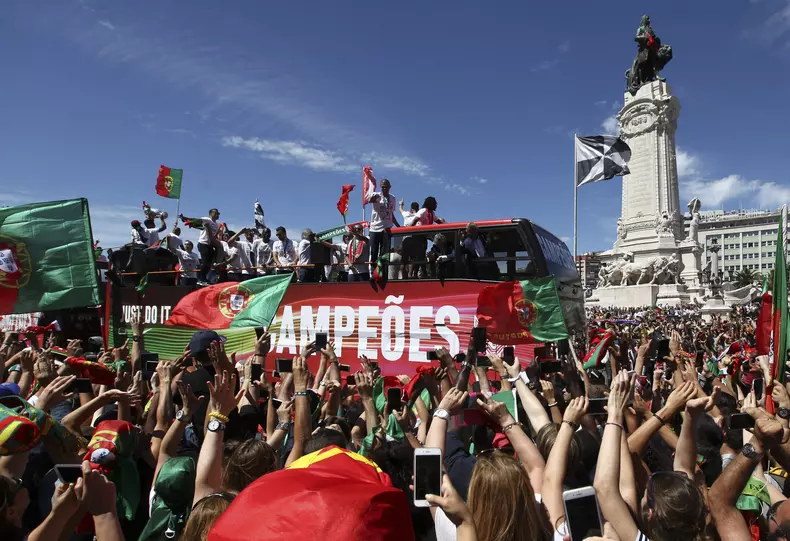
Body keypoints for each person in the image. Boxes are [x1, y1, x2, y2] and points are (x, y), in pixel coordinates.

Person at [366, 179, 399, 278]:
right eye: (382, 186)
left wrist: (399, 226)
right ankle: (373, 274)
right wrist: (373, 198)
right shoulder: (376, 195)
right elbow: (369, 200)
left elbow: (391, 214)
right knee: (374, 252)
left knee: (384, 254)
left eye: (385, 186)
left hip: (387, 228)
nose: (384, 188)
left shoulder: (392, 198)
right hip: (375, 229)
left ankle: (383, 273)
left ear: (389, 187)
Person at [181, 208, 221, 283]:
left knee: (210, 263)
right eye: (216, 213)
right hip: (203, 243)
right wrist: (186, 219)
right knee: (205, 262)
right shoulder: (207, 219)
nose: (218, 215)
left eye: (218, 213)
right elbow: (197, 220)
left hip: (210, 245)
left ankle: (205, 277)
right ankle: (200, 279)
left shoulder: (216, 225)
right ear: (211, 214)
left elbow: (214, 236)